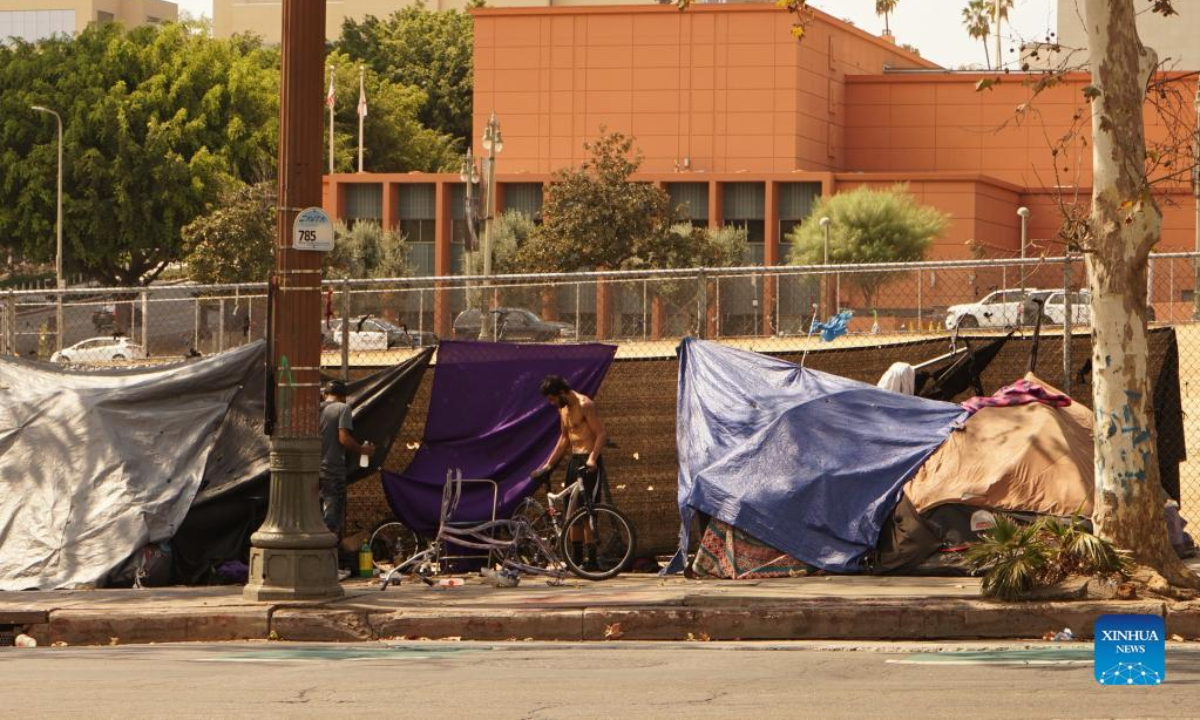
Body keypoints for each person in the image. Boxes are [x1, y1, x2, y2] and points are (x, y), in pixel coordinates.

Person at [533, 374, 608, 570]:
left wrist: (592, 458)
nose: (551, 403)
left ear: (561, 392)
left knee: (587, 512)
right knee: (571, 510)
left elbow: (601, 433)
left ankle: (591, 560)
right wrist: (548, 465)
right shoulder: (563, 409)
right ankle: (575, 559)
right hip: (574, 461)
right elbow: (564, 438)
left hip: (588, 461)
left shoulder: (585, 404)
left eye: (552, 398)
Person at [319, 380, 374, 550]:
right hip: (332, 471)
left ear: (324, 394)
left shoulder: (315, 409)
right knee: (332, 519)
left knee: (317, 517)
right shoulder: (343, 408)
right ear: (343, 397)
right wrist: (362, 449)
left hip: (312, 471)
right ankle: (329, 560)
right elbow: (343, 438)